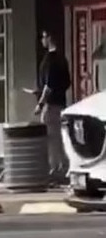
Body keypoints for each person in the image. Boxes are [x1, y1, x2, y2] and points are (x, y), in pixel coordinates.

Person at [35, 29, 71, 179]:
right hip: (61, 104)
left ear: (49, 38)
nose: (42, 40)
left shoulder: (50, 60)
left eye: (43, 37)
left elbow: (48, 86)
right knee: (59, 137)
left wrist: (40, 104)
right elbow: (66, 82)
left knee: (51, 139)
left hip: (50, 106)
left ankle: (55, 169)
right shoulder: (62, 59)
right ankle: (62, 167)